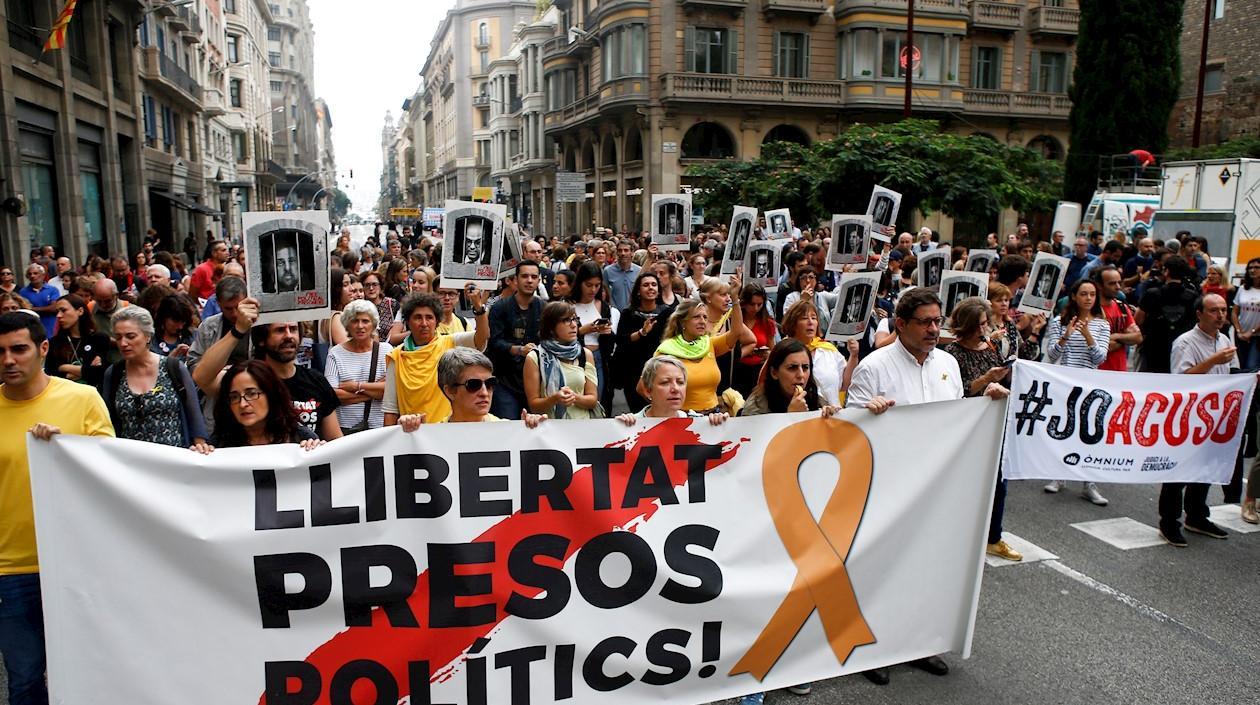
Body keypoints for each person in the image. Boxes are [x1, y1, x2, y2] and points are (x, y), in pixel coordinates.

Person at [846, 288, 1007, 686]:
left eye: (938, 321)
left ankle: (916, 645)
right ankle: (872, 650)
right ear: (900, 324)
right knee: (881, 569)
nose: (935, 329)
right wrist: (869, 413)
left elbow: (955, 416)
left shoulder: (948, 364)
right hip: (887, 488)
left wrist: (984, 397)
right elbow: (848, 427)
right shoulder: (875, 367)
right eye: (926, 322)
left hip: (937, 488)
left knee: (925, 569)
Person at [0, 311, 114, 705]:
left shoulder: (82, 398)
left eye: (19, 349)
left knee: (89, 675)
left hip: (75, 563)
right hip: (11, 570)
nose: (9, 360)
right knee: (25, 681)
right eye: (0, 352)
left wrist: (67, 450)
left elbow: (112, 473)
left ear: (43, 349)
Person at [944, 298, 1020, 561]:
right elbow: (961, 389)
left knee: (999, 481)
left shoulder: (990, 346)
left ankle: (993, 537)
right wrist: (987, 379)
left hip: (995, 423)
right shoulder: (952, 353)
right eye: (978, 325)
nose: (983, 329)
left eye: (985, 324)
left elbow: (1005, 374)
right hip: (969, 428)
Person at [1158, 294, 1235, 545]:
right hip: (1188, 416)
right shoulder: (1185, 343)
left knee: (1205, 469)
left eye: (1223, 310)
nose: (1220, 315)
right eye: (1214, 311)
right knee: (1179, 472)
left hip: (1215, 414)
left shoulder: (1224, 339)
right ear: (1199, 314)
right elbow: (1182, 379)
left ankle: (1197, 515)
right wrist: (1213, 360)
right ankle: (1169, 522)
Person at [1042, 279, 1112, 505]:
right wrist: (1066, 335)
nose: (1088, 298)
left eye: (1092, 294)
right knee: (1064, 429)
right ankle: (1059, 475)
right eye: (1083, 294)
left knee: (1089, 432)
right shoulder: (1058, 321)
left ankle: (1088, 483)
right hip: (1065, 383)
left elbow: (1100, 358)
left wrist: (1088, 335)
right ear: (1074, 296)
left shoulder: (1102, 324)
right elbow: (1052, 355)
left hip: (1091, 383)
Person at [100, 306, 208, 448]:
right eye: (118, 337)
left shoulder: (173, 368)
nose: (123, 343)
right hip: (130, 463)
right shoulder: (114, 373)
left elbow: (194, 414)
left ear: (147, 336)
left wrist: (200, 444)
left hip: (174, 460)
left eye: (130, 336)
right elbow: (107, 421)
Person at [383, 289, 490, 425]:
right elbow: (390, 409)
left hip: (447, 432)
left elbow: (481, 338)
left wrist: (478, 308)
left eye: (429, 317)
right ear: (408, 322)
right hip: (414, 436)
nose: (424, 323)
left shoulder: (450, 343)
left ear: (437, 322)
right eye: (417, 317)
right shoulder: (396, 356)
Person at [654, 280, 747, 414]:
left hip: (714, 416)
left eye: (705, 317)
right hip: (683, 418)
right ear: (683, 321)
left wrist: (735, 299)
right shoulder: (667, 350)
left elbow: (737, 332)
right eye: (697, 317)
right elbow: (644, 387)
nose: (703, 321)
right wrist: (667, 411)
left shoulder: (709, 344)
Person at [208, 360, 322, 451]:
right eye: (234, 397)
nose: (242, 404)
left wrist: (318, 452)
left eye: (252, 394)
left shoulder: (300, 437)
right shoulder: (219, 444)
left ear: (271, 395)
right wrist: (199, 456)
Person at [325, 300, 392, 434]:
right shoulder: (335, 353)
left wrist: (356, 386)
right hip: (345, 429)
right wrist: (375, 391)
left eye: (365, 321)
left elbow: (391, 390)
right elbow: (332, 395)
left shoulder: (386, 350)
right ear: (347, 325)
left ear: (373, 324)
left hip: (378, 428)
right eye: (355, 321)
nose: (360, 326)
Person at [524, 301, 600, 420]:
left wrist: (574, 397)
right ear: (551, 328)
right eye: (566, 320)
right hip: (550, 428)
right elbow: (534, 406)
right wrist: (554, 399)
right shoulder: (535, 357)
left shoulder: (585, 354)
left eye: (575, 319)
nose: (574, 325)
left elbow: (592, 400)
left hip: (582, 426)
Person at [488, 261, 545, 418]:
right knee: (507, 426)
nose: (529, 280)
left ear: (539, 281)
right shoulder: (499, 307)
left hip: (536, 380)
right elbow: (493, 342)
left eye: (534, 277)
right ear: (516, 279)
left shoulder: (544, 307)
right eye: (525, 276)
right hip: (505, 379)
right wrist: (519, 350)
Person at [434, 347, 545, 426]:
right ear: (450, 391)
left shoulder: (507, 430)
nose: (484, 393)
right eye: (473, 385)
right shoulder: (431, 435)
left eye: (490, 383)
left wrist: (531, 431)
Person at [741, 338, 844, 418]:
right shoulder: (756, 405)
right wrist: (791, 416)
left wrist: (829, 417)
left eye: (805, 367)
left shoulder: (815, 399)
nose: (801, 375)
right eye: (792, 368)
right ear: (774, 373)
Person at [781, 299, 856, 407]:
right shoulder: (783, 350)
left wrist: (853, 355)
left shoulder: (828, 349)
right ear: (793, 323)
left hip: (833, 417)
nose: (810, 322)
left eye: (814, 318)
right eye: (804, 318)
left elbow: (845, 384)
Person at [615, 356, 729, 426]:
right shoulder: (631, 423)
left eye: (680, 382)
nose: (675, 389)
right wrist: (618, 429)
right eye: (665, 382)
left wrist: (719, 427)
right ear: (648, 390)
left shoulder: (699, 423)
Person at [1136, 255, 1200, 373]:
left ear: (1166, 271)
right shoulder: (1193, 296)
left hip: (1154, 346)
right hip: (1183, 348)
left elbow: (1139, 319)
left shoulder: (1152, 293)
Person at [45, 294, 110, 387]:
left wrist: (64, 367)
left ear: (80, 311)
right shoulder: (54, 343)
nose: (58, 315)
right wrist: (87, 370)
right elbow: (52, 374)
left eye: (63, 310)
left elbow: (100, 373)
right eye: (57, 311)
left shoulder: (99, 339)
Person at [732, 283, 777, 397]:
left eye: (759, 304)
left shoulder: (767, 322)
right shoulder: (734, 319)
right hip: (737, 370)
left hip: (758, 370)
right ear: (744, 303)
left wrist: (767, 354)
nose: (755, 308)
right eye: (752, 304)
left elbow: (773, 349)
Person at [1094, 266, 1142, 372]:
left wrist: (1116, 336)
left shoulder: (1122, 307)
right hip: (1096, 372)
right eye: (1112, 283)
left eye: (1119, 282)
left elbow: (1138, 337)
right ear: (1099, 286)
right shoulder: (1091, 309)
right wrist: (1125, 339)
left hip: (1119, 372)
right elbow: (1103, 347)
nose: (1118, 287)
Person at [1232, 258, 1260, 371]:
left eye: (1257, 268)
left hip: (1257, 336)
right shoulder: (1243, 289)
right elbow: (1234, 312)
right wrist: (1239, 331)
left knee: (1251, 366)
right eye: (1250, 268)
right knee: (1242, 365)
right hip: (1241, 335)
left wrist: (1252, 332)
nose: (1252, 270)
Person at [19, 263, 59, 338]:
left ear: (43, 275)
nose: (32, 276)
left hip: (51, 328)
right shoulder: (23, 292)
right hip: (32, 329)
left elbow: (54, 308)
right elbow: (23, 310)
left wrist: (32, 309)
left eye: (35, 273)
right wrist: (47, 308)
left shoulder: (52, 290)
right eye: (30, 274)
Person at [151, 291, 196, 357]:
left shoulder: (194, 336)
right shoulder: (150, 340)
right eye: (176, 321)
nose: (180, 327)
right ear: (164, 317)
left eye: (183, 322)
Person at [602, 239, 642, 311]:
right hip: (614, 313)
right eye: (620, 250)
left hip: (634, 313)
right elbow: (605, 294)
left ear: (632, 252)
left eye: (626, 250)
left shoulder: (639, 271)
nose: (623, 253)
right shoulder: (608, 271)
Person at [360, 270, 397, 343]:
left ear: (381, 286)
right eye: (367, 285)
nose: (371, 288)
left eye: (374, 284)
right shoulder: (359, 306)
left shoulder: (391, 304)